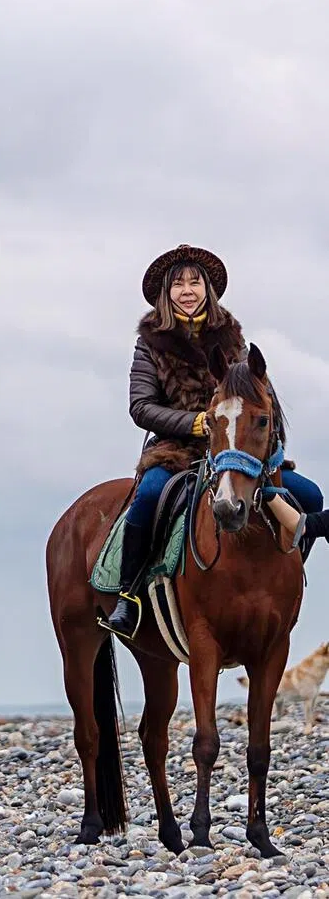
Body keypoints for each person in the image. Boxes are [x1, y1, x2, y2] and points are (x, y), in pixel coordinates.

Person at [105, 245, 322, 638]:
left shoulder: (233, 337)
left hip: (235, 452)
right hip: (176, 449)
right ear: (166, 294)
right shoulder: (150, 343)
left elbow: (259, 396)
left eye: (194, 282)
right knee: (149, 496)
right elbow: (140, 406)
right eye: (178, 284)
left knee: (310, 496)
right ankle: (129, 596)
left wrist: (262, 450)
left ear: (207, 288)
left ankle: (285, 580)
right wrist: (195, 424)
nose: (187, 290)